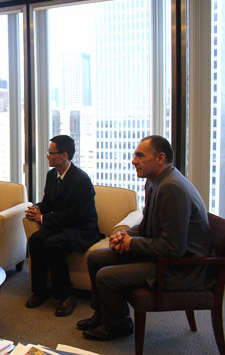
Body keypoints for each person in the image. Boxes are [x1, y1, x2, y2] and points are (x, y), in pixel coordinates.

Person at [78, 135, 215, 341]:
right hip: (163, 257)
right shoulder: (154, 182)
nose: (134, 161)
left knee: (106, 277)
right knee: (95, 258)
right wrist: (125, 235)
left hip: (180, 267)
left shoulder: (172, 188)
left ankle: (119, 325)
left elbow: (173, 249)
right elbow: (146, 225)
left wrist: (132, 244)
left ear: (160, 158)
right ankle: (104, 315)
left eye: (140, 156)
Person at [25, 135, 102, 317]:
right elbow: (48, 202)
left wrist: (43, 219)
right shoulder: (52, 175)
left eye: (51, 153)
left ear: (64, 155)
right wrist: (37, 208)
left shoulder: (81, 180)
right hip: (61, 225)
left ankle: (67, 296)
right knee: (35, 240)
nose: (47, 156)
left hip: (81, 228)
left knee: (53, 244)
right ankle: (40, 290)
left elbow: (75, 215)